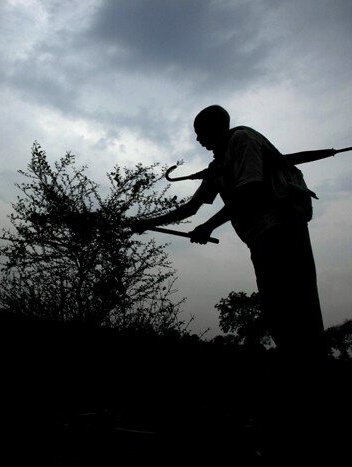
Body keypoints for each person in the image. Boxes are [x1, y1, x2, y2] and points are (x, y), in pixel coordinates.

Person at [131, 105, 327, 366]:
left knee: (298, 307)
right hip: (261, 240)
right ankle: (297, 364)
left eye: (200, 132)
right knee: (276, 310)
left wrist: (208, 227)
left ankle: (313, 368)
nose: (198, 140)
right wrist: (147, 223)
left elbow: (250, 191)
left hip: (283, 231)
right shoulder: (218, 166)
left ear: (216, 127)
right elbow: (191, 208)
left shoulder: (242, 140)